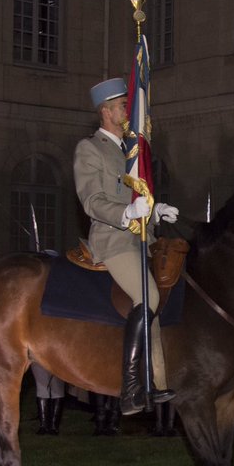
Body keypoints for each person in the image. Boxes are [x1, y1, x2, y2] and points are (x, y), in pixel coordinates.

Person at [74, 77, 178, 415]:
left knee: (153, 302)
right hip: (112, 239)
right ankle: (130, 386)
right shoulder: (89, 148)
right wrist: (126, 213)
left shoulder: (130, 149)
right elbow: (92, 200)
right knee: (148, 295)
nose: (127, 112)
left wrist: (154, 210)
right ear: (105, 112)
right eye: (122, 106)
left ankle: (158, 383)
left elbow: (137, 196)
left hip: (137, 239)